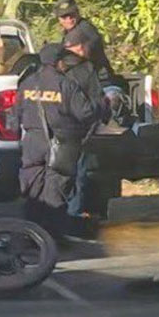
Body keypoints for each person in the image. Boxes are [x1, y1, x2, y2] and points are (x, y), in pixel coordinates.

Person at [16, 44, 100, 238]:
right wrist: (101, 105)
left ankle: (30, 234)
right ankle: (52, 237)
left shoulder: (27, 83)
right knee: (55, 189)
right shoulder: (65, 85)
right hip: (59, 143)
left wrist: (17, 140)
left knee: (33, 188)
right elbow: (85, 113)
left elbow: (15, 114)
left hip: (32, 142)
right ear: (59, 63)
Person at [61, 28, 106, 237]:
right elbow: (97, 101)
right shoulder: (86, 69)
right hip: (81, 132)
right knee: (79, 175)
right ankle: (73, 217)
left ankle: (57, 217)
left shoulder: (54, 69)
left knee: (58, 175)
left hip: (56, 130)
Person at [53, 0, 124, 89]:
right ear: (58, 18)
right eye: (64, 16)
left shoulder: (82, 30)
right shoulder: (71, 31)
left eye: (71, 15)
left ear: (77, 12)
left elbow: (77, 53)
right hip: (88, 83)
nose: (69, 19)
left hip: (100, 84)